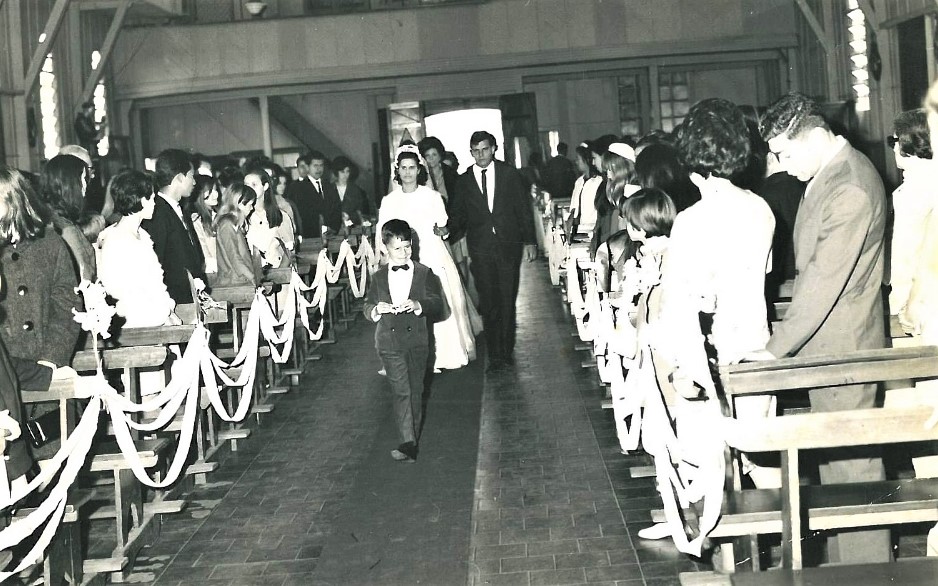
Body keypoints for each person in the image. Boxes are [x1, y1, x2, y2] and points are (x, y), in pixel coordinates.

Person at [753, 91, 890, 564]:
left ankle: (868, 571)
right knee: (837, 465)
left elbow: (824, 280)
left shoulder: (849, 184)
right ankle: (848, 566)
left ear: (814, 136)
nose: (782, 165)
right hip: (831, 345)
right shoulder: (830, 173)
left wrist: (773, 351)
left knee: (854, 469)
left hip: (845, 347)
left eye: (786, 153)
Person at [377, 145, 480, 371]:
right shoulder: (389, 200)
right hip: (400, 256)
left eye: (412, 168)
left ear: (419, 170)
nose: (407, 173)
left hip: (431, 254)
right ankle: (408, 356)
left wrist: (442, 231)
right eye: (403, 168)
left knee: (434, 301)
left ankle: (442, 354)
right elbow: (381, 233)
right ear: (397, 171)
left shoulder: (432, 197)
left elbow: (442, 226)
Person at [449, 130, 536, 372]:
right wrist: (446, 230)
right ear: (471, 153)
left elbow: (523, 209)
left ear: (494, 148)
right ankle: (495, 354)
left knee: (507, 298)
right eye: (475, 151)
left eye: (485, 149)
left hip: (509, 246)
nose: (480, 155)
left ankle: (506, 351)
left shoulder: (509, 174)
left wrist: (530, 241)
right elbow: (458, 214)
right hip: (481, 248)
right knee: (488, 301)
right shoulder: (464, 181)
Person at [364, 219, 444, 462]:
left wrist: (419, 305)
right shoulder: (378, 277)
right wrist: (377, 309)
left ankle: (412, 436)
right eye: (397, 249)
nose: (404, 253)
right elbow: (366, 307)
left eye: (408, 247)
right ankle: (408, 442)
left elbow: (438, 304)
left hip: (417, 342)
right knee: (402, 391)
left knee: (416, 391)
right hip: (389, 342)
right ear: (385, 248)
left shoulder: (424, 273)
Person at [0, 165, 80, 369]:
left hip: (47, 367)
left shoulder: (49, 244)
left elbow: (67, 303)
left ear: (14, 200)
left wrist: (52, 358)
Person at [96, 169, 180, 327]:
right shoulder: (117, 240)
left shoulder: (142, 234)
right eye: (152, 198)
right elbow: (123, 292)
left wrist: (169, 311)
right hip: (137, 322)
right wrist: (163, 315)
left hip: (156, 316)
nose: (155, 203)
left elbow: (155, 282)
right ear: (141, 200)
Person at [141, 148, 206, 304]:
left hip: (189, 298)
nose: (195, 182)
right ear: (179, 178)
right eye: (191, 176)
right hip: (175, 301)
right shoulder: (157, 213)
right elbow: (157, 263)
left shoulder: (176, 208)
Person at [38, 153, 97, 281]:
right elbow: (84, 277)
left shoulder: (49, 217)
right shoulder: (66, 229)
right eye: (82, 179)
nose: (85, 186)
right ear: (69, 184)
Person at [211, 182, 262, 288]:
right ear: (240, 204)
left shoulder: (233, 224)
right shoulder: (227, 224)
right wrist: (252, 278)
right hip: (234, 281)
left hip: (240, 279)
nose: (252, 208)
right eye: (250, 204)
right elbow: (234, 256)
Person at [286, 150, 343, 238]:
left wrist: (333, 228)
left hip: (331, 235)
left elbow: (337, 209)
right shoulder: (298, 188)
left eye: (321, 165)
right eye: (315, 165)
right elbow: (298, 215)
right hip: (309, 236)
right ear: (308, 167)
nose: (318, 169)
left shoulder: (329, 186)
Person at [245, 167, 293, 269]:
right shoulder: (243, 216)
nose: (249, 189)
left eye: (254, 184)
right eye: (246, 185)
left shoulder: (280, 216)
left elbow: (289, 250)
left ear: (265, 186)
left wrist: (279, 273)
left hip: (277, 271)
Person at [186, 173, 220, 276]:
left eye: (215, 189)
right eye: (210, 191)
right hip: (211, 273)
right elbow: (204, 252)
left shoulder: (218, 215)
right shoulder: (195, 220)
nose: (216, 194)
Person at [332, 155, 374, 226]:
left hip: (353, 228)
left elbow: (361, 213)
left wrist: (350, 216)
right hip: (333, 229)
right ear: (336, 172)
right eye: (342, 172)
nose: (345, 175)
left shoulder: (356, 190)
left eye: (347, 171)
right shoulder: (329, 189)